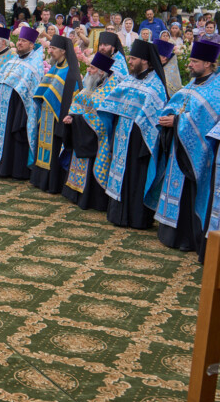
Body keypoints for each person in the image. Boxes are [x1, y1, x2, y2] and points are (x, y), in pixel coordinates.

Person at [150, 40, 220, 255]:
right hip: (177, 150)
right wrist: (168, 116)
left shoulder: (216, 89)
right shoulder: (193, 83)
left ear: (208, 64)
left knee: (191, 194)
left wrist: (178, 122)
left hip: (198, 153)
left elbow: (208, 120)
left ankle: (187, 238)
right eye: (190, 60)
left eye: (194, 61)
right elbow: (177, 103)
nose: (189, 64)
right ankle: (170, 233)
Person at [98, 39, 170, 229]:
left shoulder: (156, 85)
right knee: (120, 172)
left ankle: (137, 218)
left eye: (133, 58)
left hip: (141, 140)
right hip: (122, 134)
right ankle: (118, 215)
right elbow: (111, 101)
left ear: (145, 61)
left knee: (136, 176)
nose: (129, 61)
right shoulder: (130, 79)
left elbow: (157, 114)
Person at [61, 53, 120, 211]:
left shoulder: (109, 91)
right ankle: (74, 193)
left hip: (95, 138)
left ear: (101, 72)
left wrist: (77, 120)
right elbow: (77, 104)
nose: (88, 70)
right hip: (81, 132)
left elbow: (102, 119)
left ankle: (89, 199)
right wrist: (71, 117)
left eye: (92, 68)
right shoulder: (89, 85)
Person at [0, 26, 44, 179]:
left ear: (32, 45)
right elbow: (0, 79)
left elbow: (32, 89)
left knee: (14, 138)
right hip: (4, 106)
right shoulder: (14, 60)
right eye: (19, 41)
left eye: (23, 41)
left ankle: (14, 170)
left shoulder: (35, 64)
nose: (19, 43)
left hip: (19, 107)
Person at [29, 35, 81, 193]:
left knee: (54, 148)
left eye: (53, 49)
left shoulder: (70, 72)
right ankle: (40, 180)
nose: (50, 51)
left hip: (58, 118)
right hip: (46, 116)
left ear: (63, 51)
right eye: (49, 48)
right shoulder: (56, 67)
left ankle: (52, 183)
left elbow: (74, 97)